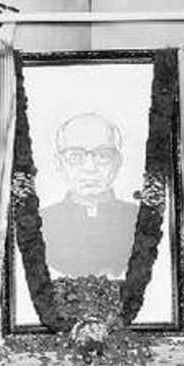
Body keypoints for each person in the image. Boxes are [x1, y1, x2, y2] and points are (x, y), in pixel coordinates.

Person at [39, 112, 140, 277]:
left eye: (103, 155)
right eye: (75, 156)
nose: (90, 167)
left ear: (118, 162)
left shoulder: (139, 218)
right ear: (59, 163)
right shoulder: (41, 221)